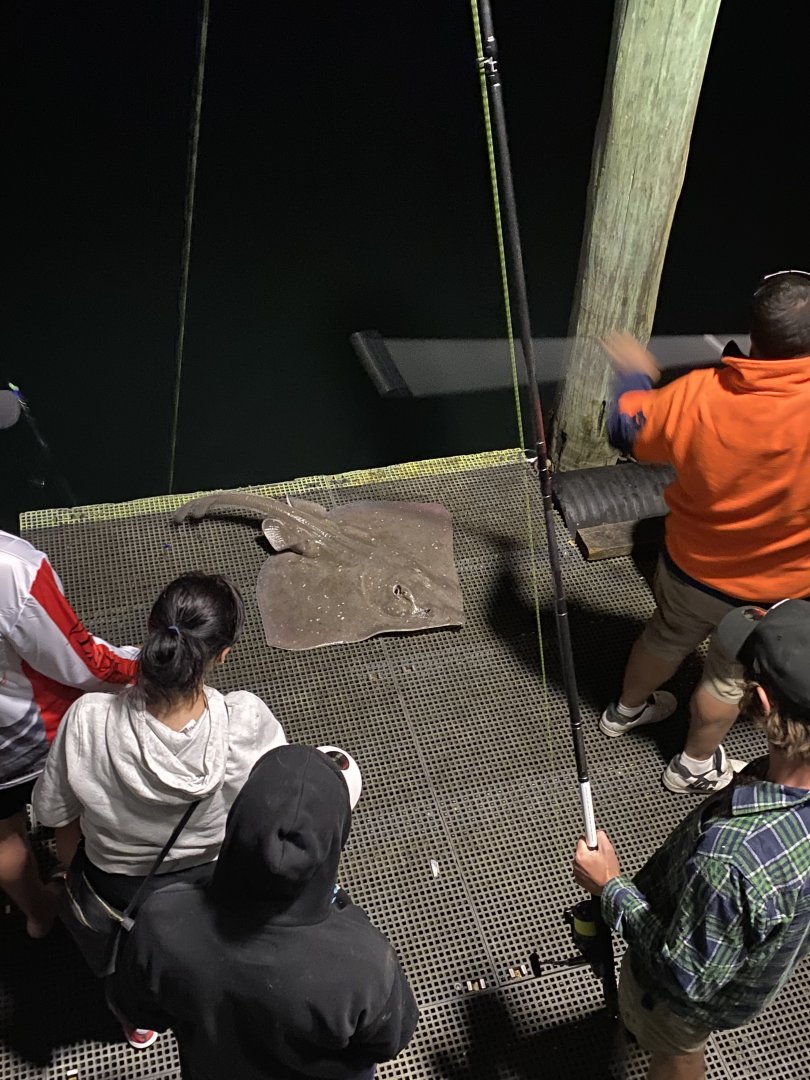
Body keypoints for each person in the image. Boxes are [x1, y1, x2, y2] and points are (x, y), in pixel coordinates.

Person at [574, 599, 810, 1080]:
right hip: (756, 968)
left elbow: (686, 978)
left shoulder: (733, 860)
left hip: (682, 1000)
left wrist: (611, 887)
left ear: (763, 703)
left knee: (675, 1048)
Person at [599, 269, 810, 793]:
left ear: (756, 334)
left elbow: (626, 430)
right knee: (726, 678)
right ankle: (692, 766)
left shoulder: (695, 395)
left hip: (689, 567)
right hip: (773, 595)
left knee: (664, 637)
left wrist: (630, 374)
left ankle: (625, 711)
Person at [108, 743, 419, 1080]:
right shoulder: (365, 962)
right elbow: (389, 1041)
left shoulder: (162, 921)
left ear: (236, 822)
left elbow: (137, 1007)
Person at [32, 571, 286, 916]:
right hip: (211, 874)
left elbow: (53, 812)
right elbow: (272, 807)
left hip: (115, 880)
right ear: (223, 654)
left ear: (152, 630)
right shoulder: (246, 722)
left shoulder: (87, 719)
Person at [0, 529, 138, 938]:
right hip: (36, 732)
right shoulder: (13, 569)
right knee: (73, 813)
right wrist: (145, 665)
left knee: (3, 834)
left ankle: (37, 915)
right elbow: (85, 663)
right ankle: (82, 899)